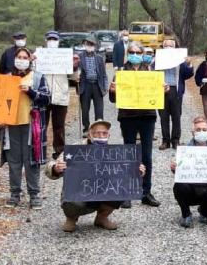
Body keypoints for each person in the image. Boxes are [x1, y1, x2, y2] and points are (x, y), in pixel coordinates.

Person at [45, 119, 145, 232]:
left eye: (104, 133)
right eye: (97, 133)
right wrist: (56, 168)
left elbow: (127, 172)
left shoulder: (115, 153)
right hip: (78, 193)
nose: (101, 136)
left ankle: (102, 218)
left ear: (109, 135)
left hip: (101, 192)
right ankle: (71, 218)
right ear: (89, 135)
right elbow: (49, 167)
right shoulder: (75, 149)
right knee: (72, 201)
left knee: (121, 187)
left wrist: (137, 171)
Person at [109, 41, 164, 207]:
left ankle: (146, 192)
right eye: (132, 52)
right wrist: (113, 91)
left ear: (142, 54)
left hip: (147, 116)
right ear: (128, 54)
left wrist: (163, 90)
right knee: (129, 153)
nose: (135, 55)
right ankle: (127, 192)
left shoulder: (151, 72)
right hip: (127, 117)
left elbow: (159, 97)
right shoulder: (120, 73)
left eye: (138, 52)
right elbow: (113, 99)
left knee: (146, 155)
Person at [1, 47, 51, 209]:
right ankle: (14, 193)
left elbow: (46, 98)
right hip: (11, 125)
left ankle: (34, 194)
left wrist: (30, 92)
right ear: (14, 59)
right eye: (19, 57)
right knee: (14, 160)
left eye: (25, 57)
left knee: (32, 160)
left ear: (30, 60)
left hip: (32, 126)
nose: (21, 59)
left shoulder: (38, 77)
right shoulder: (7, 78)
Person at [170, 117, 207, 228]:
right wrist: (174, 168)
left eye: (204, 129)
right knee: (179, 186)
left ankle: (204, 212)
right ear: (193, 132)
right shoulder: (184, 151)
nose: (201, 132)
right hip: (190, 190)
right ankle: (186, 214)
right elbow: (178, 173)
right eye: (198, 130)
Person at [39, 30, 78, 159]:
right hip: (43, 96)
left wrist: (75, 66)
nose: (52, 42)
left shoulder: (65, 56)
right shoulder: (39, 55)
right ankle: (40, 152)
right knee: (41, 126)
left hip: (61, 96)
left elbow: (74, 78)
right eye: (50, 39)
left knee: (59, 127)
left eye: (54, 40)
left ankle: (60, 152)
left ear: (58, 41)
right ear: (46, 41)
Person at [158, 38, 194, 150]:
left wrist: (189, 64)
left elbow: (187, 74)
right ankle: (165, 141)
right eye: (166, 45)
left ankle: (176, 140)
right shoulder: (158, 59)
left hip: (176, 90)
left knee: (176, 116)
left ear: (175, 48)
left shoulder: (180, 60)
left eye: (171, 46)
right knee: (163, 117)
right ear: (163, 47)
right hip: (161, 90)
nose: (168, 47)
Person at [75, 35, 108, 136]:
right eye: (88, 44)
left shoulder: (99, 58)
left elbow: (103, 74)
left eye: (92, 44)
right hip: (85, 86)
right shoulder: (79, 57)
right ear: (84, 44)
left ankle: (98, 129)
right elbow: (74, 72)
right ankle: (86, 129)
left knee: (99, 110)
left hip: (97, 86)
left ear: (95, 46)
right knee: (85, 109)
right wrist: (76, 78)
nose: (89, 46)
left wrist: (105, 87)